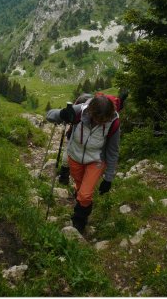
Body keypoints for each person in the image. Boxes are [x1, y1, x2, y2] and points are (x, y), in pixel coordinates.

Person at [46, 92, 127, 233]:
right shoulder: (80, 111)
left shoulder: (113, 122)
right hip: (75, 157)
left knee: (85, 194)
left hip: (96, 161)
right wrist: (64, 114)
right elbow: (50, 115)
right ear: (91, 112)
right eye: (97, 119)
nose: (100, 122)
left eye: (104, 120)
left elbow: (113, 152)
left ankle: (79, 221)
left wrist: (108, 178)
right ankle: (83, 204)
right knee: (79, 188)